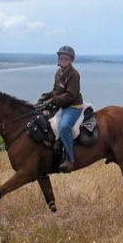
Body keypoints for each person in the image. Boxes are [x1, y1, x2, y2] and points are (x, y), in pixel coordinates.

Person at [38, 45, 83, 173]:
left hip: (73, 106)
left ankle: (70, 159)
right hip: (61, 104)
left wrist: (52, 100)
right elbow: (56, 90)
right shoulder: (58, 72)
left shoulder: (74, 74)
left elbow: (70, 95)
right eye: (61, 58)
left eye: (66, 59)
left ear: (71, 60)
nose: (63, 61)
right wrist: (47, 95)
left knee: (63, 127)